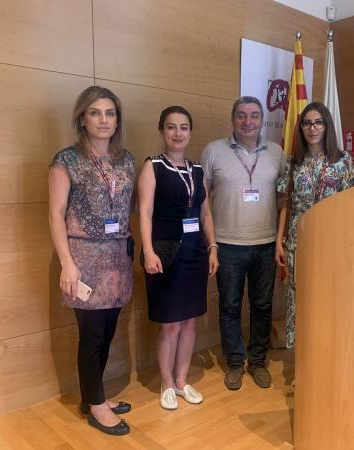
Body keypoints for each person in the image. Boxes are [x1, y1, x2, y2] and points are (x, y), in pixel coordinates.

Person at [48, 86, 134, 436]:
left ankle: (93, 394)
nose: (103, 120)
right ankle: (95, 405)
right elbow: (55, 214)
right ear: (82, 119)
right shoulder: (67, 160)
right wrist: (67, 263)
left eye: (110, 113)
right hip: (83, 259)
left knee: (108, 331)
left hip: (117, 258)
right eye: (95, 113)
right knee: (92, 335)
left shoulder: (126, 160)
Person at [200, 96, 287, 390]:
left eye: (254, 115)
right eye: (241, 115)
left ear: (262, 120)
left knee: (262, 306)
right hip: (227, 244)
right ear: (232, 119)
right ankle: (235, 362)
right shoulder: (213, 151)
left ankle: (258, 361)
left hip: (266, 243)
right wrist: (211, 243)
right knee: (230, 306)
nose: (247, 122)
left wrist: (280, 239)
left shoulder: (276, 153)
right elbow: (202, 201)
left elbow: (283, 199)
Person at [138, 106, 219, 410]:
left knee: (189, 322)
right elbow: (144, 212)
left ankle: (182, 380)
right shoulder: (153, 166)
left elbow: (205, 213)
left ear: (190, 132)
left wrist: (213, 247)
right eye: (171, 127)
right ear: (162, 131)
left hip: (195, 253)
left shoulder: (197, 170)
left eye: (183, 127)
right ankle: (166, 382)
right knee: (170, 325)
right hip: (166, 254)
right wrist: (148, 251)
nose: (177, 133)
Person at [275, 102, 354, 349]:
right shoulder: (294, 162)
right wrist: (279, 241)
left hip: (332, 240)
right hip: (298, 241)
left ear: (327, 126)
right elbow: (285, 204)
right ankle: (303, 353)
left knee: (329, 294)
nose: (312, 128)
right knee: (300, 295)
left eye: (318, 123)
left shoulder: (342, 161)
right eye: (307, 123)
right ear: (301, 128)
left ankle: (328, 350)